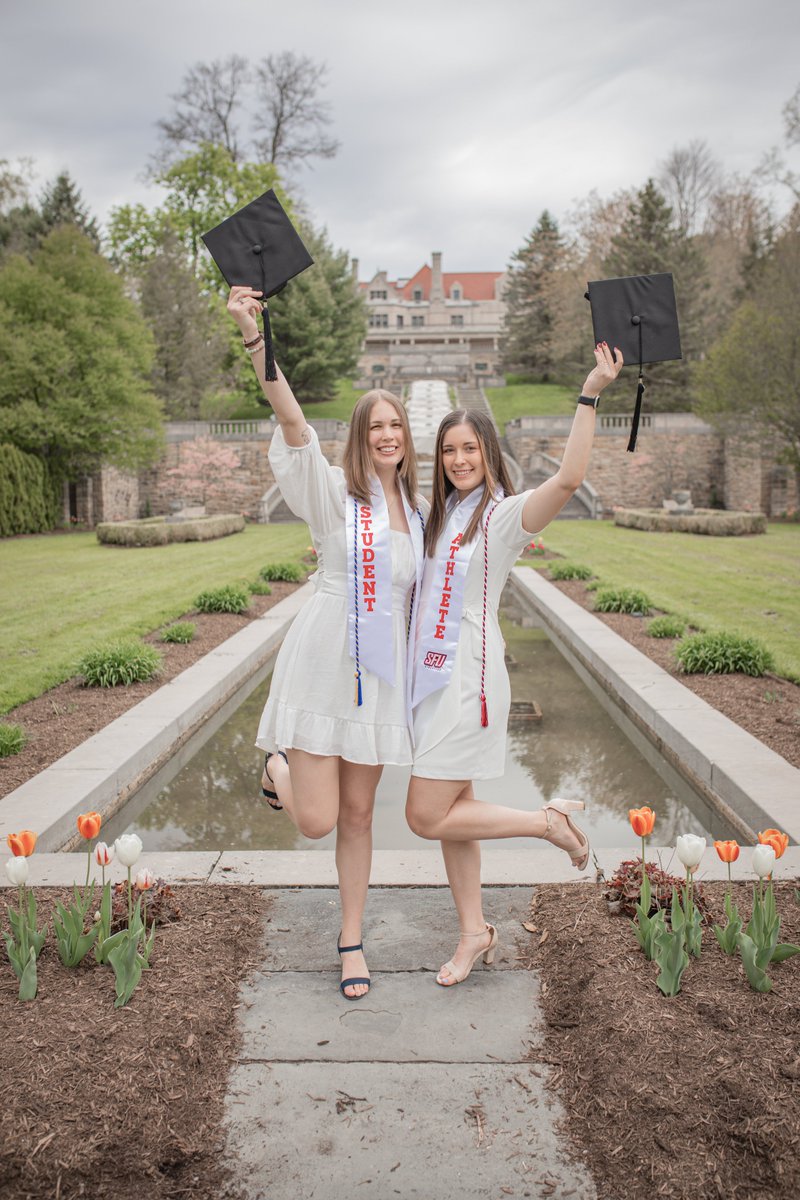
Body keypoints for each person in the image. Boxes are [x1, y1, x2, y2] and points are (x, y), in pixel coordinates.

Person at [227, 285, 426, 1000]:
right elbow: (291, 419)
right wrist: (256, 338)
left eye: (394, 425)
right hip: (321, 662)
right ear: (360, 436)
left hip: (379, 675)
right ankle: (278, 765)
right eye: (374, 426)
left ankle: (351, 942)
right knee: (315, 821)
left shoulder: (422, 514)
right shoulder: (332, 495)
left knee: (360, 815)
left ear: (407, 437)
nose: (385, 435)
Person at [405, 342, 623, 986]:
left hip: (469, 684)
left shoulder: (499, 517)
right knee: (454, 811)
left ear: (489, 453)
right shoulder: (437, 519)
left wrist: (589, 394)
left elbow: (568, 481)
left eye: (470, 448)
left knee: (424, 814)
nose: (460, 459)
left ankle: (545, 822)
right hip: (432, 683)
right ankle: (475, 932)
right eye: (449, 451)